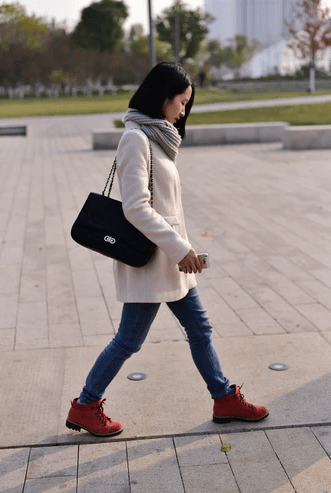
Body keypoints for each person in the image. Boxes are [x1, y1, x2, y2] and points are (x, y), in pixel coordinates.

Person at [66, 62, 269, 437]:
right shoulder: (136, 139)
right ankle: (85, 405)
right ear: (162, 98)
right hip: (152, 261)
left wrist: (183, 248)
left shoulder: (157, 137)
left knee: (200, 328)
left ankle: (223, 397)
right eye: (181, 102)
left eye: (187, 105)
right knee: (129, 340)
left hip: (171, 261)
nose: (183, 111)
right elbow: (136, 207)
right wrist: (179, 248)